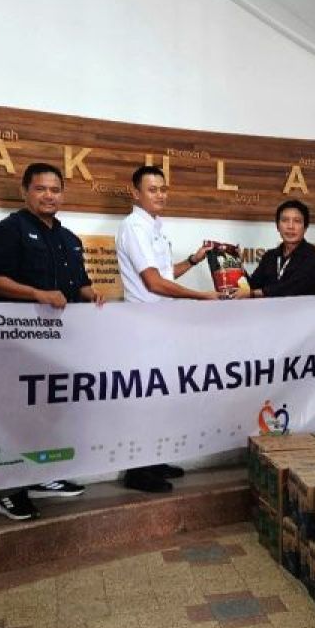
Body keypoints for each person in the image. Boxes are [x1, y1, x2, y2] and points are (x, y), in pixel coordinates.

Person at [0, 163, 103, 520]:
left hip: (61, 344)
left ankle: (43, 477)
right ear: (25, 191)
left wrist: (92, 295)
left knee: (51, 411)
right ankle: (11, 491)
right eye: (40, 189)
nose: (49, 195)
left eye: (55, 189)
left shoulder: (69, 239)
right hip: (20, 342)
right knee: (17, 414)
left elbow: (79, 284)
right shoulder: (7, 231)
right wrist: (37, 294)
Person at [115, 165, 218, 492]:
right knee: (145, 397)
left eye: (163, 189)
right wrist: (202, 296)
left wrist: (194, 260)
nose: (160, 194)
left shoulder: (154, 226)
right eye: (152, 189)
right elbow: (153, 283)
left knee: (160, 395)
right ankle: (137, 471)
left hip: (162, 325)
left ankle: (153, 459)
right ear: (136, 193)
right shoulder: (134, 227)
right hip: (144, 326)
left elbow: (164, 274)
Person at [228, 199, 315, 299]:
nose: (290, 226)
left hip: (302, 308)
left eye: (297, 221)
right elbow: (252, 285)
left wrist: (255, 293)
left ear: (305, 227)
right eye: (285, 220)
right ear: (277, 226)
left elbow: (294, 287)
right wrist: (238, 266)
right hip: (269, 309)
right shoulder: (270, 256)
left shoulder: (314, 255)